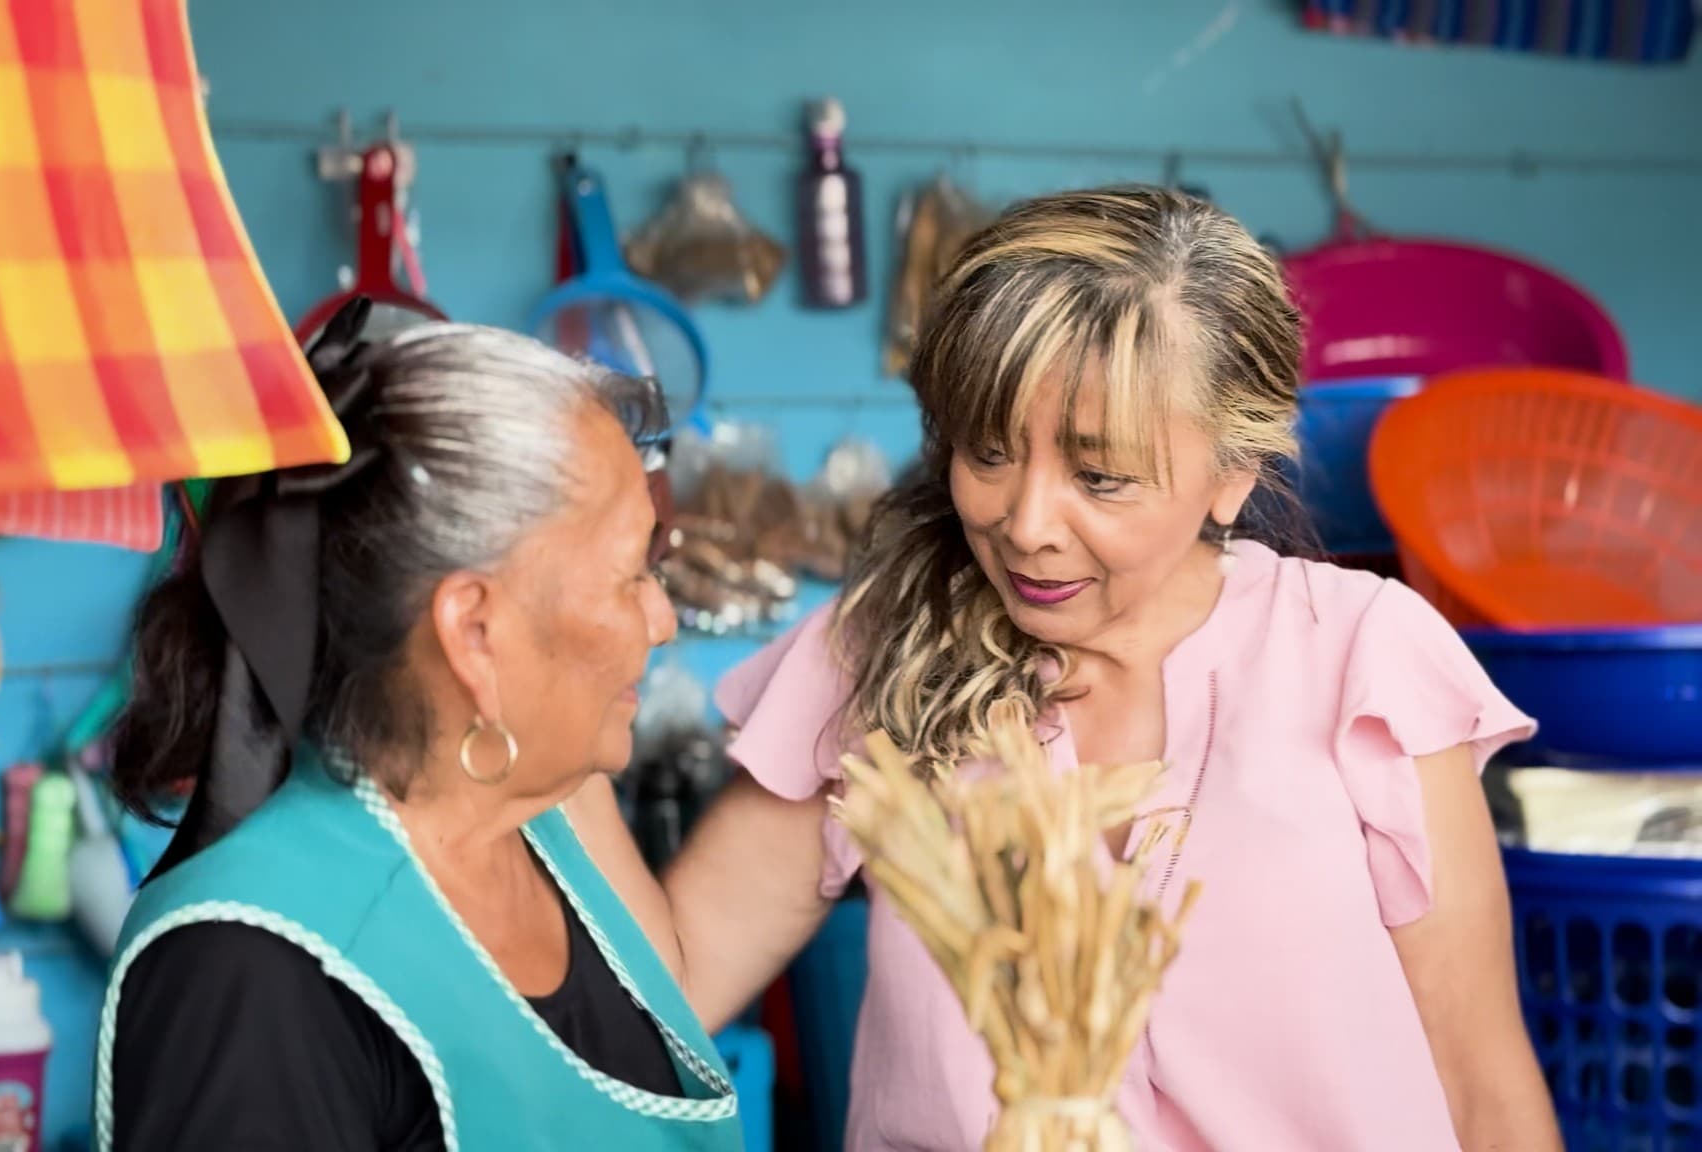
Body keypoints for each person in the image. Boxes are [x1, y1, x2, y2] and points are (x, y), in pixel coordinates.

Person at [570, 187, 1562, 1151]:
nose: (1024, 524)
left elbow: (1479, 1085)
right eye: (988, 450)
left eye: (1099, 476)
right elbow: (671, 990)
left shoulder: (1358, 658)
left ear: (1231, 473)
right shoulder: (883, 651)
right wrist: (544, 714)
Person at [96, 300, 742, 1151]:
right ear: (475, 633)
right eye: (633, 576)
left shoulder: (543, 831)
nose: (661, 621)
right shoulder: (253, 973)